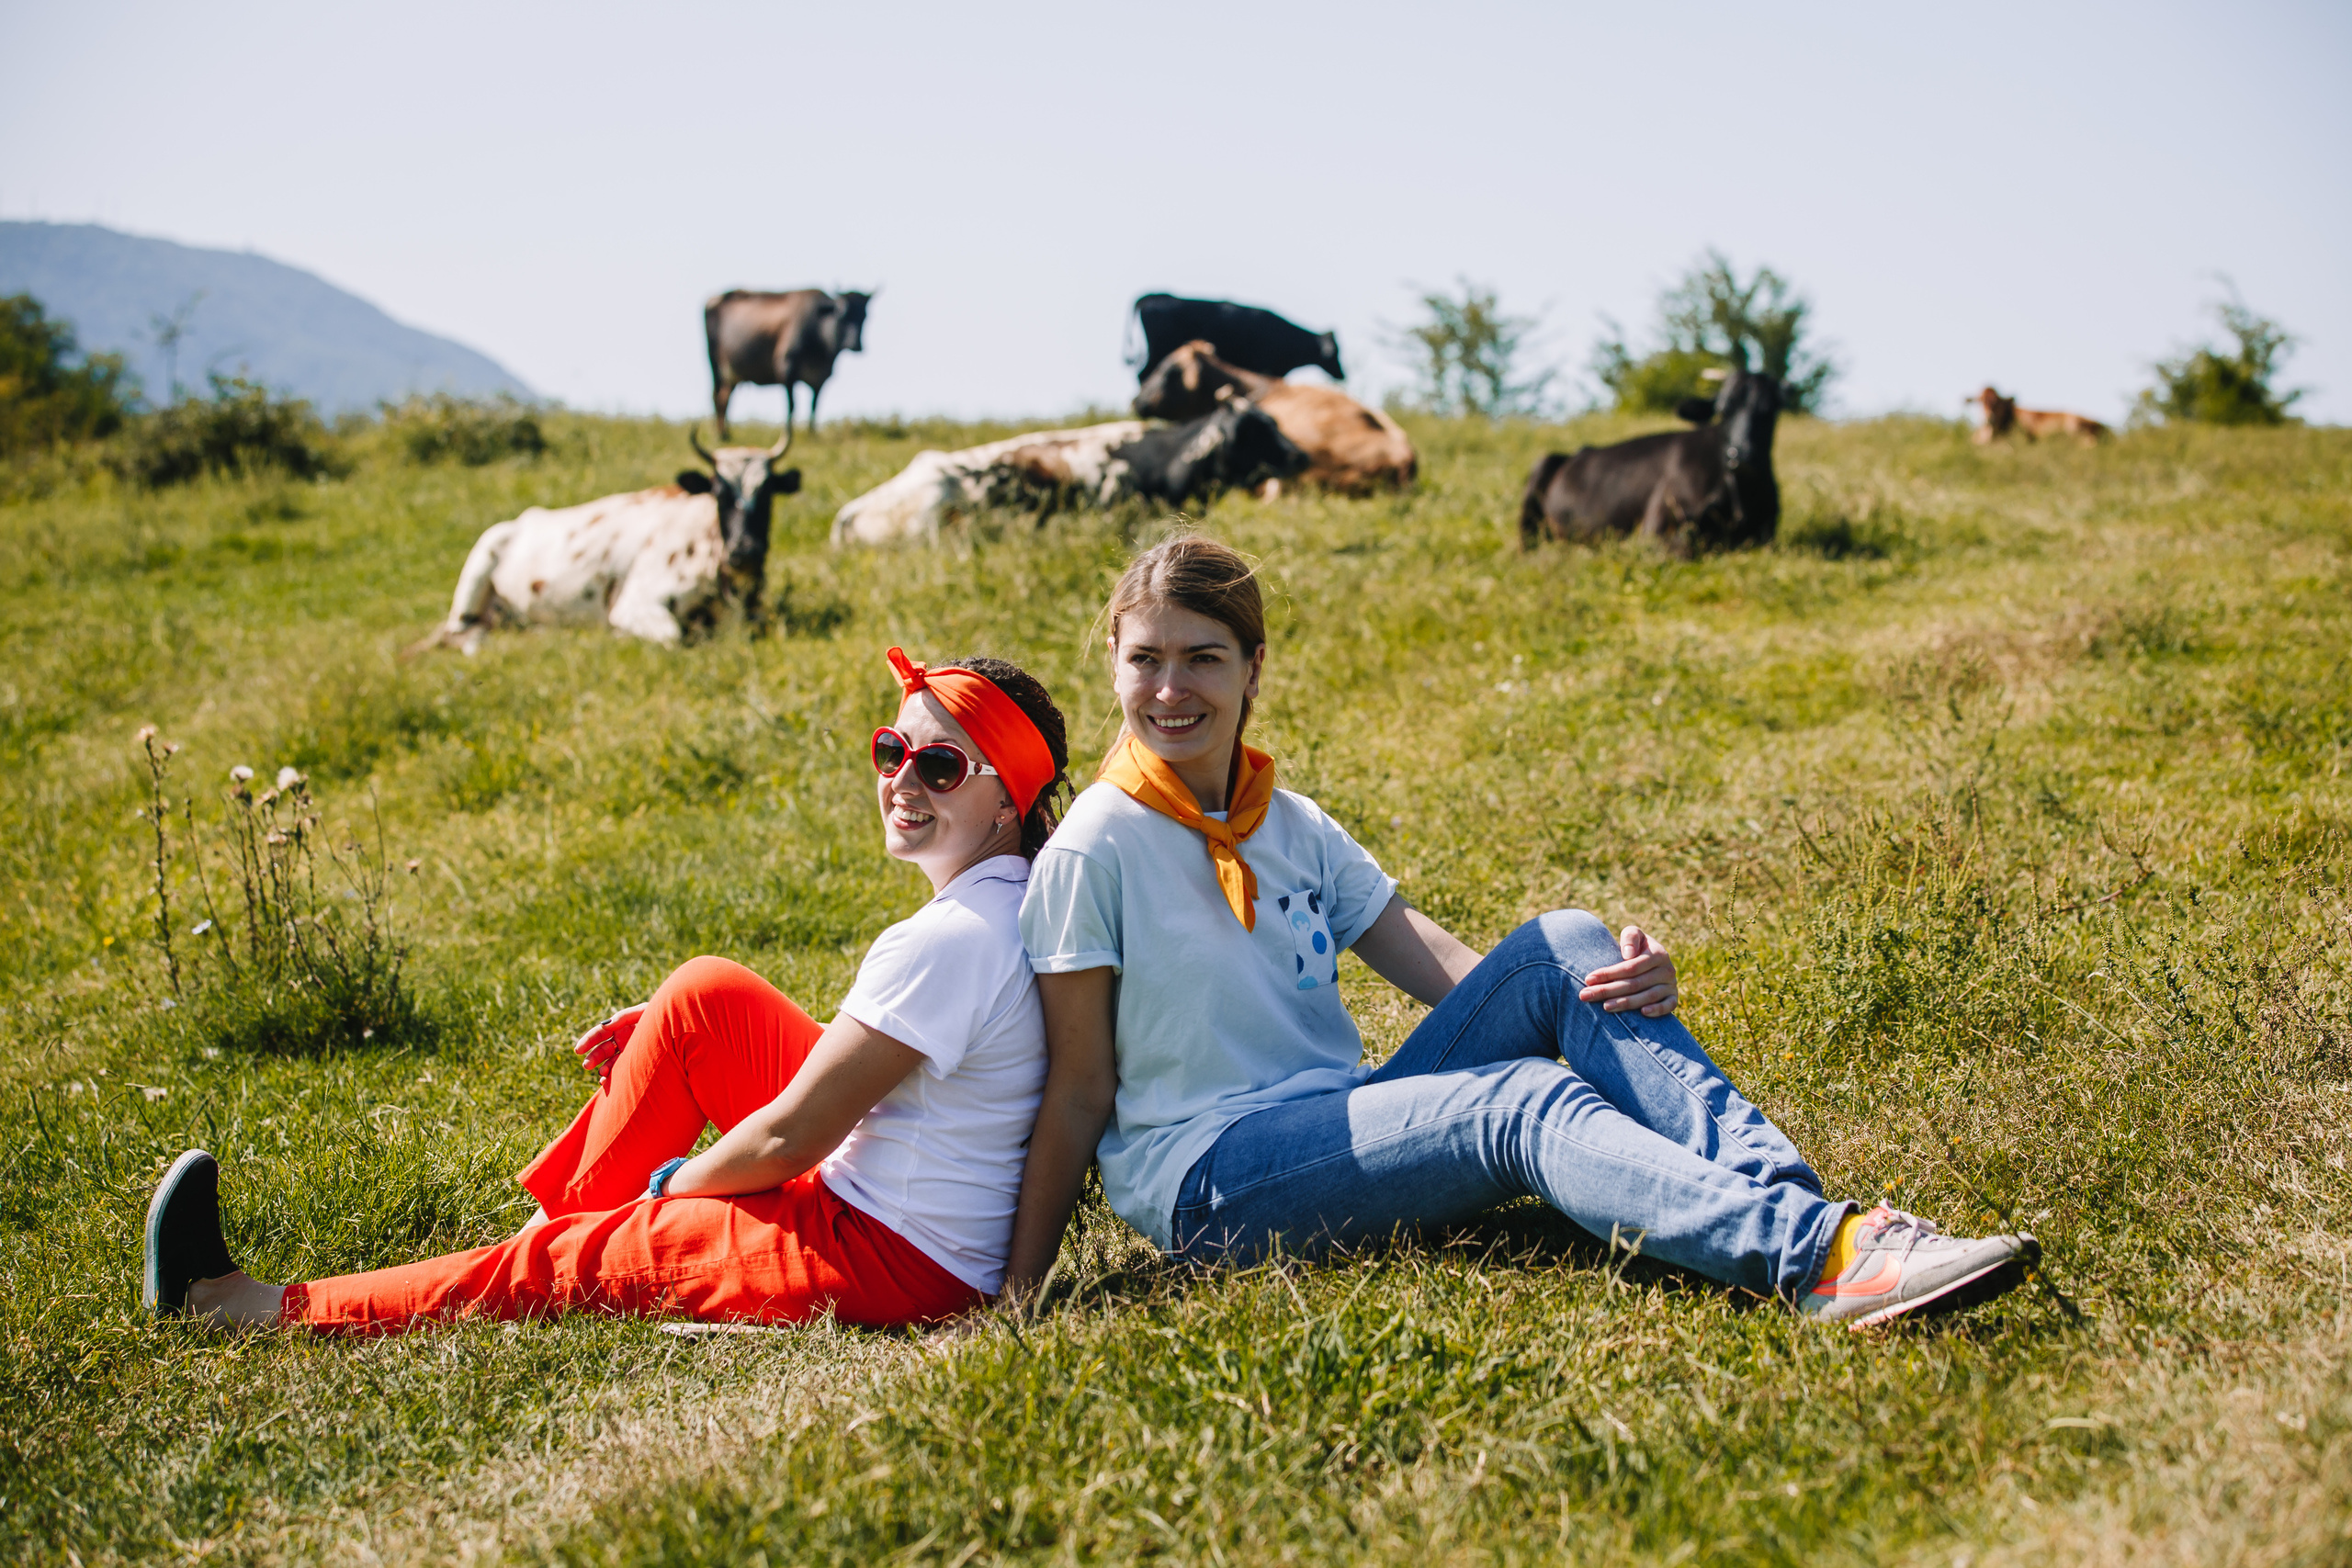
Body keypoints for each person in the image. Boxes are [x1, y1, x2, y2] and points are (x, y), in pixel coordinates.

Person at [1006, 536, 2038, 1328]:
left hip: (1337, 1120)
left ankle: (1796, 1210)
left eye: (1204, 658)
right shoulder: (1096, 850)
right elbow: (1080, 1088)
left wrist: (1611, 991)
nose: (1171, 690)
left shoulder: (1288, 821)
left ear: (1254, 666)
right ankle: (1814, 1261)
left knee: (1564, 940)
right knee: (1523, 1103)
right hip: (1213, 1183)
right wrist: (1017, 1293)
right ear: (1113, 662)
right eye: (1146, 660)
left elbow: (1450, 969)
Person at [145, 648, 1072, 1332]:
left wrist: (676, 1190)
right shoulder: (1010, 901)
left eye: (940, 766)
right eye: (889, 751)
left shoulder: (951, 938)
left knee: (575, 1258)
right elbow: (909, 1070)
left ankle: (244, 1307)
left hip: (885, 1256)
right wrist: (676, 1049)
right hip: (921, 1216)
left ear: (1007, 800)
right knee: (706, 999)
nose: (903, 781)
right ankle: (532, 1250)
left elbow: (795, 1135)